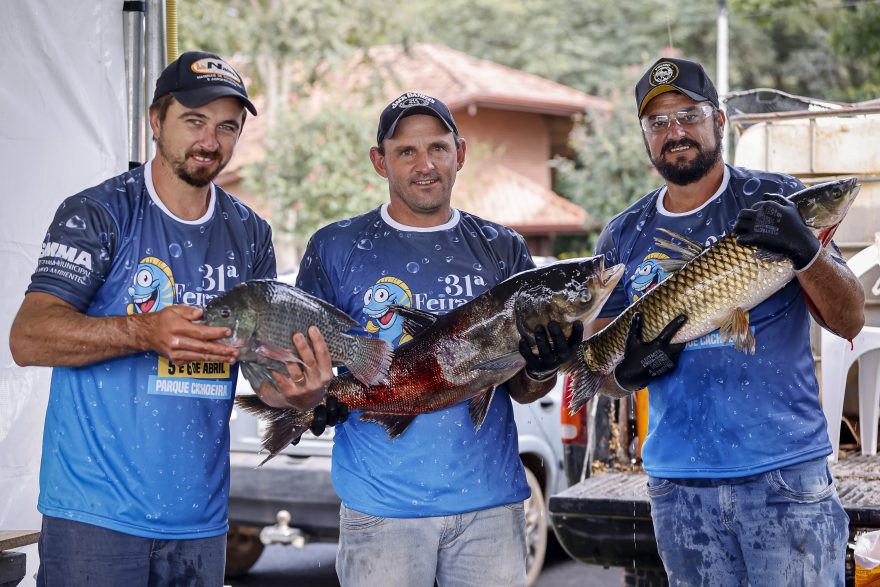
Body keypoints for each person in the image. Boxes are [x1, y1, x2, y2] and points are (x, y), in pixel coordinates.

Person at [9, 51, 338, 585]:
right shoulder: (98, 213)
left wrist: (299, 396)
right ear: (156, 120)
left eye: (227, 127)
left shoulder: (250, 233)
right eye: (194, 121)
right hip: (95, 517)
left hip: (200, 523)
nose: (211, 140)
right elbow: (28, 337)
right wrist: (142, 330)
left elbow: (263, 378)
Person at [590, 56, 865, 585]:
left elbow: (849, 320)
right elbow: (597, 370)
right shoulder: (623, 234)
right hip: (678, 485)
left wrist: (806, 251)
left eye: (689, 115)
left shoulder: (777, 198)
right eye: (658, 123)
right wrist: (625, 375)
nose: (676, 132)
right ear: (645, 137)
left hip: (786, 474)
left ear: (719, 121)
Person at [295, 92, 582, 586]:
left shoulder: (502, 248)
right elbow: (303, 364)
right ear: (379, 161)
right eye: (406, 151)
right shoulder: (336, 246)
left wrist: (541, 368)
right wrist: (310, 398)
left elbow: (522, 390)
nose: (424, 165)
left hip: (490, 511)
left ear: (461, 154)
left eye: (438, 148)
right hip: (381, 510)